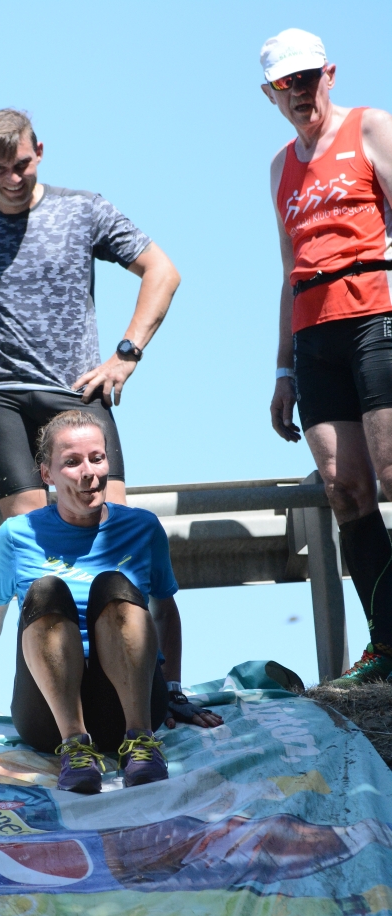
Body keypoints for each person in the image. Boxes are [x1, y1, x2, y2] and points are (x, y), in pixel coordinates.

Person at [0, 108, 180, 520]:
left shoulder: (84, 210)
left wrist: (126, 354)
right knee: (29, 534)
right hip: (2, 398)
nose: (13, 179)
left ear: (39, 152)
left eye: (22, 165)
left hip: (77, 391)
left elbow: (162, 271)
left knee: (110, 525)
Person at [0, 410, 222, 795]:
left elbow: (164, 610)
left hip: (131, 704)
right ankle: (75, 748)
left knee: (114, 584)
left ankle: (141, 743)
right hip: (47, 719)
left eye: (97, 458)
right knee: (46, 591)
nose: (89, 472)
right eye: (72, 462)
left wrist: (173, 691)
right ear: (47, 474)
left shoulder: (143, 527)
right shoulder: (16, 535)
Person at [262, 29, 392, 684]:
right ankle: (387, 644)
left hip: (375, 310)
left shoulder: (370, 127)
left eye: (307, 77)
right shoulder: (279, 167)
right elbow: (288, 269)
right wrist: (282, 367)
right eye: (285, 83)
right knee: (343, 486)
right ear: (269, 94)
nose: (299, 91)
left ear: (329, 75)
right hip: (314, 330)